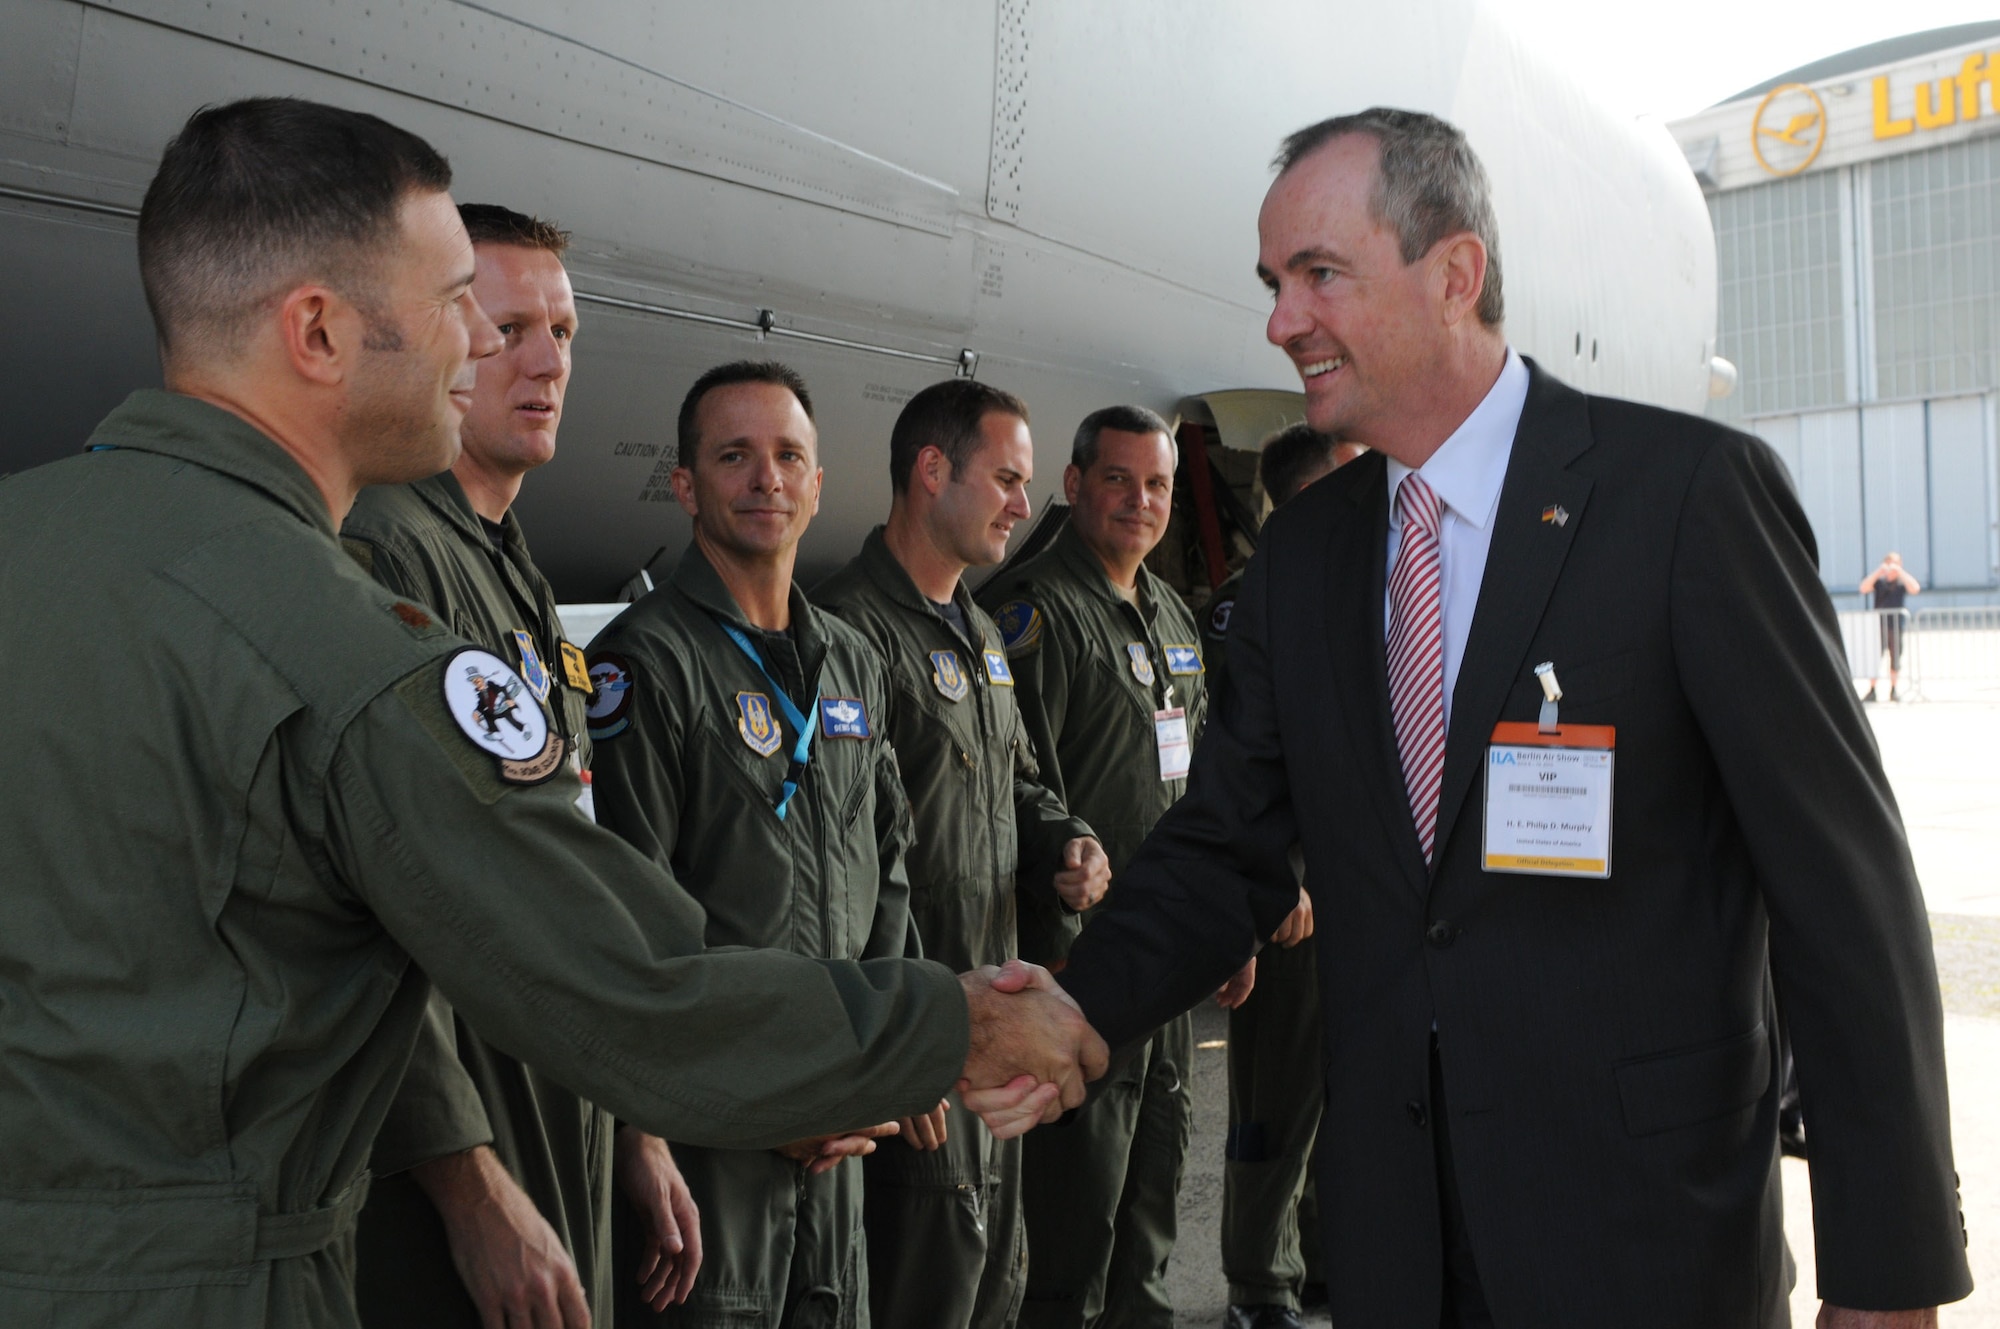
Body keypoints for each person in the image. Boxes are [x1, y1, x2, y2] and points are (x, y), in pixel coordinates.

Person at [0, 96, 1103, 1329]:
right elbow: (623, 981)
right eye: (456, 304)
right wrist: (946, 1023)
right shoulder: (344, 637)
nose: (481, 342)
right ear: (316, 330)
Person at [1048, 108, 1970, 1329]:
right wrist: (1072, 1008)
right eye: (1274, 285)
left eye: (1318, 274)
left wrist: (1888, 1266)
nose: (1279, 323)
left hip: (1643, 1244)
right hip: (1397, 1251)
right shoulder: (1303, 559)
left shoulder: (1683, 500)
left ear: (1453, 274)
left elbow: (1839, 890)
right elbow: (1225, 845)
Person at [341, 204, 697, 1328]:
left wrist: (631, 1118)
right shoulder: (387, 553)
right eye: (510, 329)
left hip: (553, 1108)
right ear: (439, 337)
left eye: (565, 332)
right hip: (467, 1139)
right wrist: (469, 1183)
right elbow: (366, 908)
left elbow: (566, 862)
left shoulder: (510, 571)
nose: (548, 362)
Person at [587, 360, 941, 1329]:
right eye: (733, 456)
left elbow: (887, 872)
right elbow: (633, 918)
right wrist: (756, 1099)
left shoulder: (851, 659)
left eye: (788, 457)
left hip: (839, 1131)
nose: (765, 479)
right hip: (713, 1140)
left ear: (818, 484)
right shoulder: (644, 662)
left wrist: (877, 1059)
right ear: (685, 485)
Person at [813, 379, 1113, 1329]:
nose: (1025, 505)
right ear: (932, 470)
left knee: (992, 1284)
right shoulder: (846, 631)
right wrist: (905, 1039)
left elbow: (1017, 783)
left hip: (994, 1031)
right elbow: (844, 862)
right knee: (924, 1286)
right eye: (1008, 479)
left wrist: (1066, 840)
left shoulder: (981, 633)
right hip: (923, 1031)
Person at [976, 407, 1211, 1329]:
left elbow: (1201, 784)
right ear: (1073, 485)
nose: (1140, 500)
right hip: (1079, 966)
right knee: (1076, 1205)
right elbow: (1011, 784)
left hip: (1169, 957)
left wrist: (1221, 928)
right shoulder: (1032, 614)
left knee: (1155, 1182)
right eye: (1118, 479)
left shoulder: (1171, 614)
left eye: (1157, 484)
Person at [1205, 424, 1359, 1329]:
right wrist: (1278, 878)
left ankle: (1322, 1259)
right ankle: (1260, 1282)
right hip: (1283, 893)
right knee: (1277, 1091)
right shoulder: (1249, 605)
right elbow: (1237, 772)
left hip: (1351, 891)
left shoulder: (1349, 593)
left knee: (1343, 1088)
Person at [1860, 552, 1921, 702]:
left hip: (1895, 626)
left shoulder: (1901, 583)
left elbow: (1915, 588)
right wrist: (1878, 571)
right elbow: (1864, 588)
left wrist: (1900, 572)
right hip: (1878, 627)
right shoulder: (1879, 582)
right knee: (1874, 659)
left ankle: (1893, 690)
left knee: (1895, 659)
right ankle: (1872, 690)